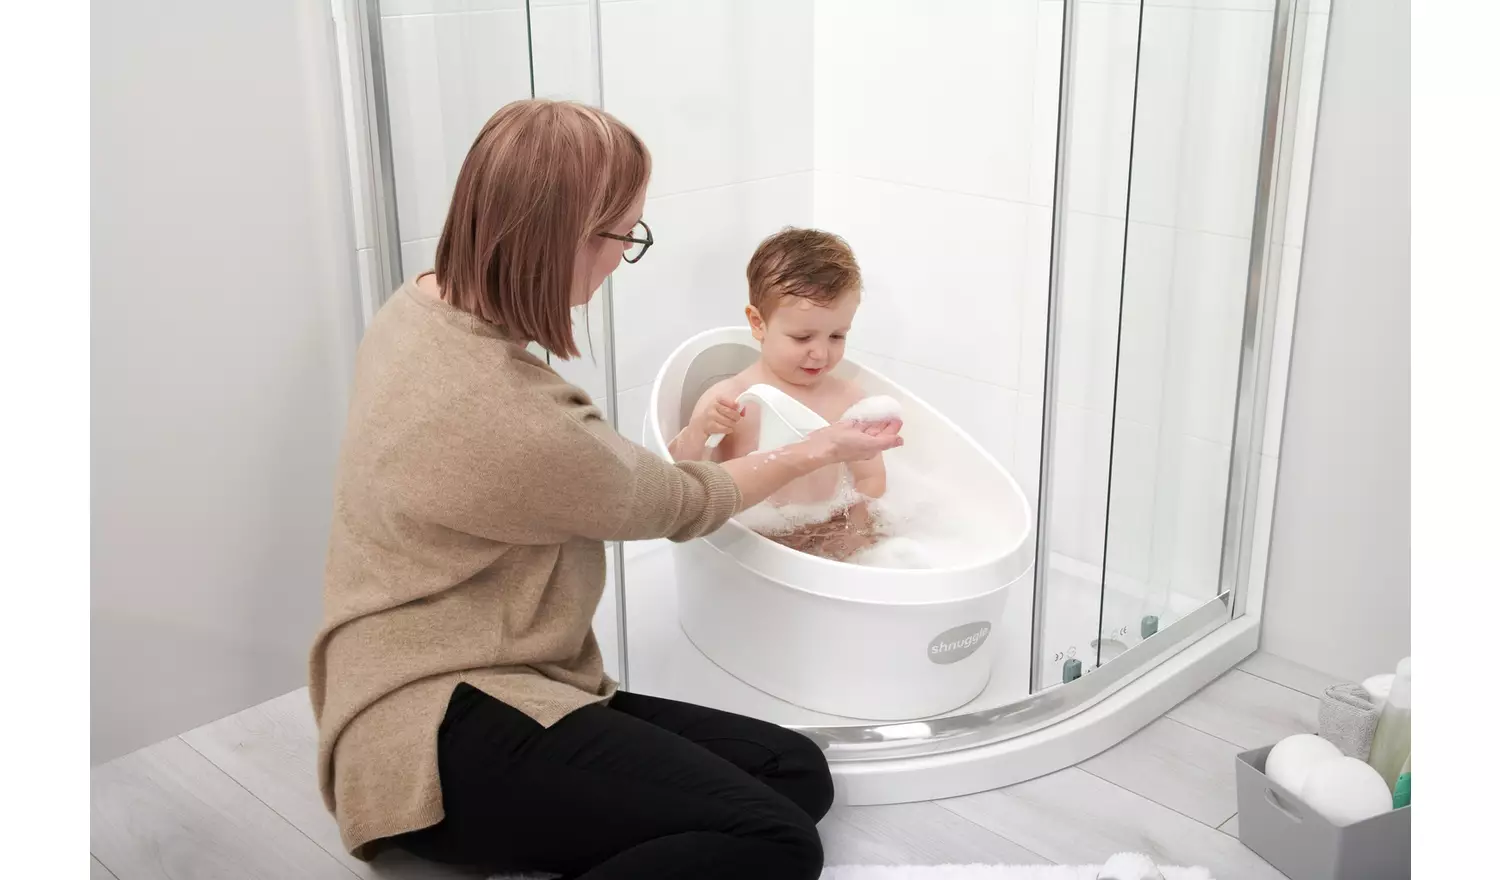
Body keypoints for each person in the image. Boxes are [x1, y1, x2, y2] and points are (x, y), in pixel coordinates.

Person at [308, 99, 902, 880]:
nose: (623, 255)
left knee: (794, 773)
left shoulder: (418, 305)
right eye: (624, 234)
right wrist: (823, 445)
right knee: (778, 841)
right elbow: (681, 501)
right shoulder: (507, 413)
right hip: (436, 726)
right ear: (565, 238)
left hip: (490, 672)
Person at [669, 227, 889, 562]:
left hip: (828, 528)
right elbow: (678, 480)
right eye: (803, 338)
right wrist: (700, 430)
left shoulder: (851, 401)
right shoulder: (732, 399)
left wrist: (853, 530)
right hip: (750, 542)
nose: (820, 353)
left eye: (837, 336)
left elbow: (871, 479)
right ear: (758, 323)